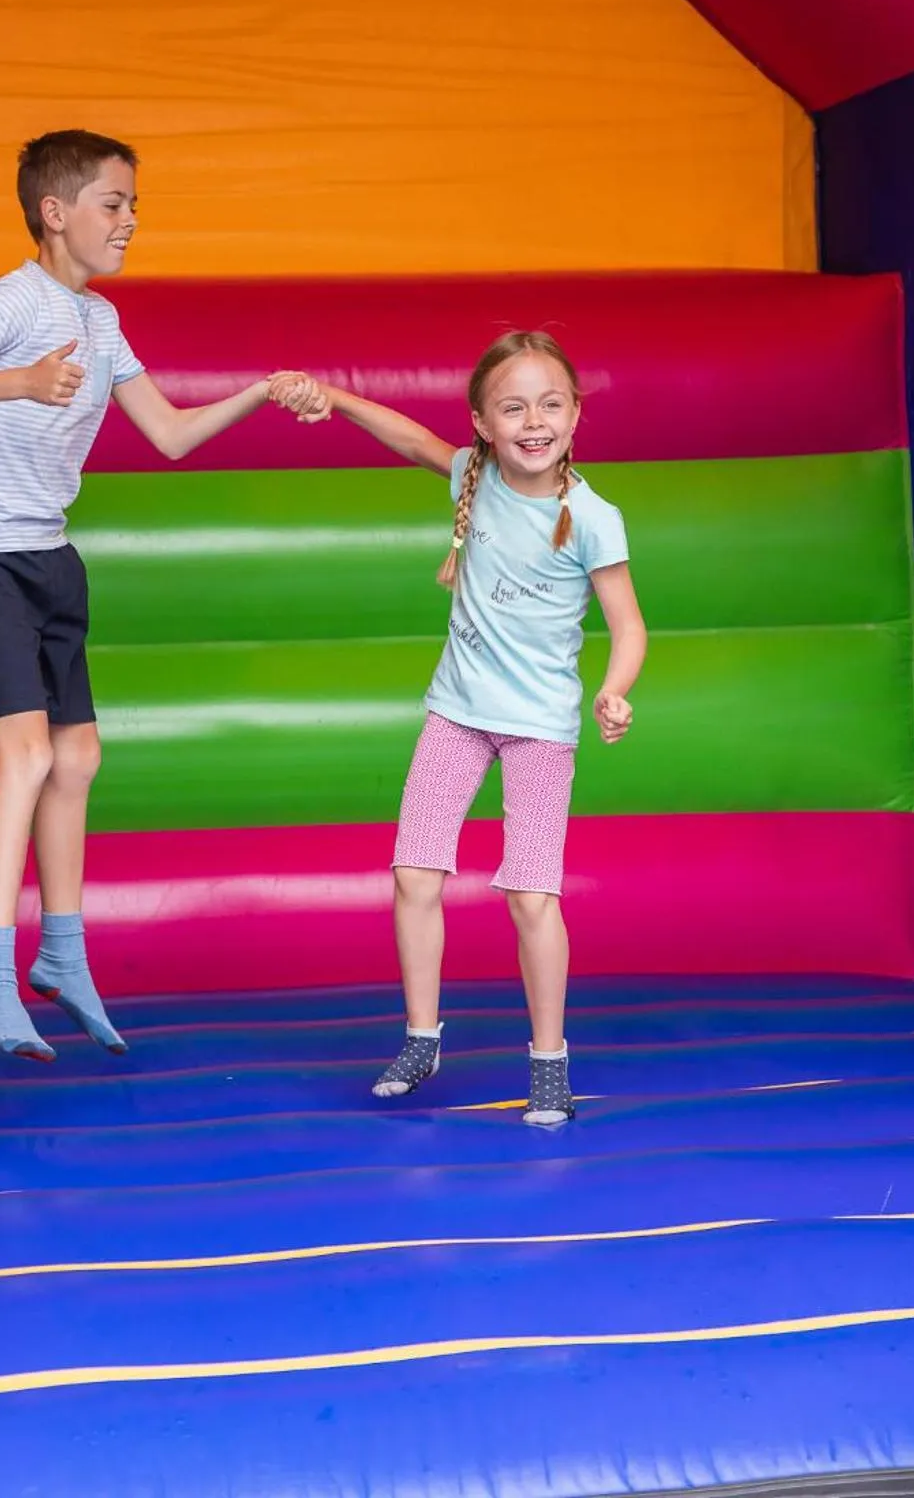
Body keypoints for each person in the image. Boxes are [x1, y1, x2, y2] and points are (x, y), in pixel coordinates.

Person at [0, 128, 304, 1062]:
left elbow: (167, 433)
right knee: (29, 755)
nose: (128, 222)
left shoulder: (103, 321)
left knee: (78, 757)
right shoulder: (14, 300)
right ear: (56, 211)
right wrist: (22, 380)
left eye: (132, 207)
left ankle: (62, 957)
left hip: (47, 555)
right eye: (113, 204)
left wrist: (255, 394)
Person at [272, 332, 647, 1125]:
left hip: (540, 728)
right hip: (458, 714)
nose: (533, 421)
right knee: (413, 874)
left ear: (575, 416)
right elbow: (406, 435)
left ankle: (549, 1061)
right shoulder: (468, 478)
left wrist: (613, 691)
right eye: (512, 408)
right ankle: (421, 1035)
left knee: (531, 898)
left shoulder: (592, 517)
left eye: (550, 405)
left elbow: (629, 626)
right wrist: (333, 399)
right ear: (482, 422)